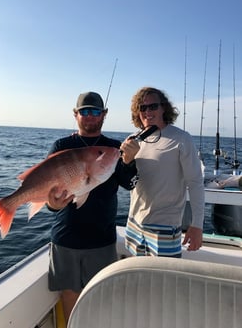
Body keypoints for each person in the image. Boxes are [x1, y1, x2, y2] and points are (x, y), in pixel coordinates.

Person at [46, 91, 138, 323]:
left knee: (102, 299)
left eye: (95, 111)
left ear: (104, 115)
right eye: (84, 111)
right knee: (69, 295)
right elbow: (49, 192)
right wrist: (51, 204)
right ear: (75, 115)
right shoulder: (62, 145)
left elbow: (129, 184)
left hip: (102, 239)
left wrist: (130, 161)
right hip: (66, 237)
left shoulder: (113, 148)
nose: (89, 116)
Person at [120, 86, 205, 258]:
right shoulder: (133, 140)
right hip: (134, 224)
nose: (147, 112)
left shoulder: (181, 138)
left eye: (153, 106)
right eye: (142, 108)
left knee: (163, 283)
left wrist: (197, 225)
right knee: (138, 279)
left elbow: (195, 183)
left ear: (163, 108)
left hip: (164, 228)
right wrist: (126, 160)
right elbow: (126, 180)